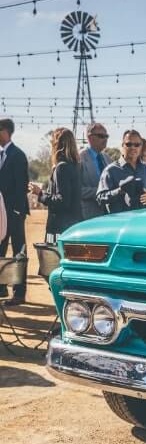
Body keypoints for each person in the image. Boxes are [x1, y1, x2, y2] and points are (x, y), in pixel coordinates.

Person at [30, 128, 82, 242]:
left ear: (56, 145)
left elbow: (62, 201)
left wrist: (40, 194)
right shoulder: (75, 166)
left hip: (59, 229)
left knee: (53, 259)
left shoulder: (61, 168)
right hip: (73, 226)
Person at [0, 118, 29, 306]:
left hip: (15, 212)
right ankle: (2, 287)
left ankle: (19, 292)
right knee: (1, 250)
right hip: (1, 213)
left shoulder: (17, 155)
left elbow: (22, 185)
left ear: (5, 131)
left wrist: (19, 211)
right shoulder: (2, 154)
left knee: (19, 251)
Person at [96, 129, 146, 213]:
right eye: (129, 144)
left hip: (145, 220)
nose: (133, 147)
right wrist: (119, 190)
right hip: (121, 222)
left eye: (137, 144)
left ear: (141, 147)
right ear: (122, 145)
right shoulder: (110, 170)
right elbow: (100, 198)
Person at [80, 123, 111, 220]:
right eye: (101, 136)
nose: (105, 139)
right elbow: (77, 190)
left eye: (107, 136)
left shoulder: (107, 158)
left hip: (108, 214)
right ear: (90, 138)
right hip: (88, 216)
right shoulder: (79, 158)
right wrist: (100, 193)